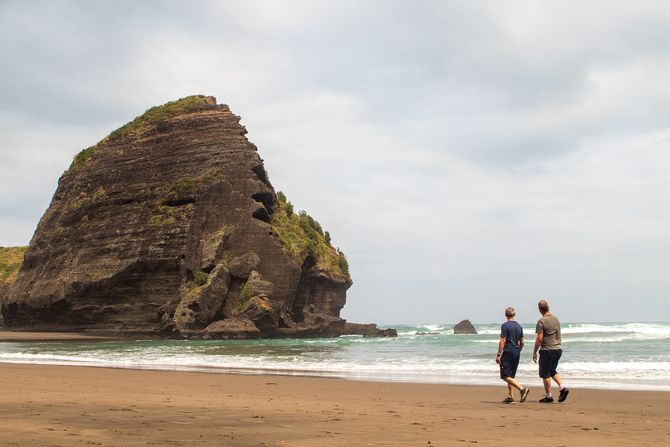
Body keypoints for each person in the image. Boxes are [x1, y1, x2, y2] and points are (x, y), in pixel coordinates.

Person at [532, 299, 569, 403]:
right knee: (552, 370)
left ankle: (549, 396)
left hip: (547, 349)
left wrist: (534, 352)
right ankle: (562, 387)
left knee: (545, 373)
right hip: (558, 349)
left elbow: (539, 339)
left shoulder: (541, 321)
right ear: (548, 307)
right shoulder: (556, 319)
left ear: (539, 309)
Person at [496, 306, 530, 403]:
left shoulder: (505, 326)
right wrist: (519, 350)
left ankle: (522, 389)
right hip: (516, 351)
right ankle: (510, 396)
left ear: (506, 315)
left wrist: (499, 354)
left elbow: (503, 340)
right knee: (511, 376)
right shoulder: (519, 326)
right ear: (514, 315)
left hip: (508, 351)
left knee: (505, 376)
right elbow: (522, 342)